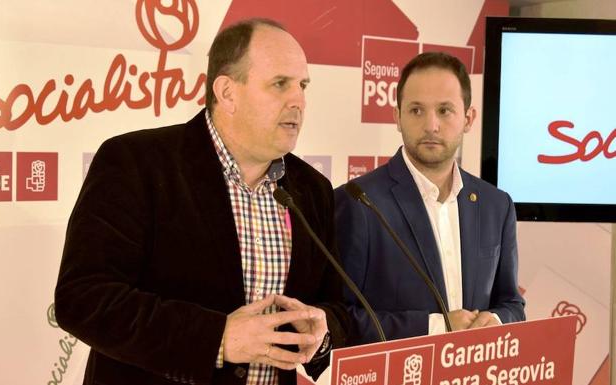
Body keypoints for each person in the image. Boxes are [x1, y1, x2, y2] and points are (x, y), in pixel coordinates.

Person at [55, 18, 349, 385]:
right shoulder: (135, 162)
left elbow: (335, 306)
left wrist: (320, 333)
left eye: (303, 85)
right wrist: (218, 339)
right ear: (227, 92)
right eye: (280, 84)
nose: (299, 101)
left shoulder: (312, 188)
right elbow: (84, 299)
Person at [334, 52, 525, 345]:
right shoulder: (358, 203)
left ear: (468, 118)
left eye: (445, 110)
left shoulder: (496, 206)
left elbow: (512, 304)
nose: (431, 125)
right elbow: (339, 319)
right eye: (416, 110)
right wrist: (437, 326)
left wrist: (497, 320)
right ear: (397, 117)